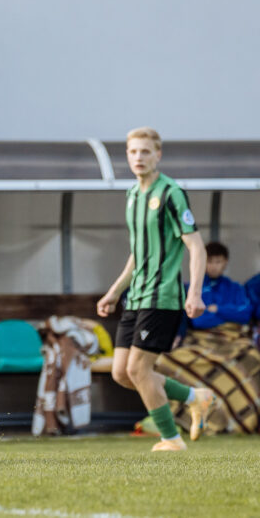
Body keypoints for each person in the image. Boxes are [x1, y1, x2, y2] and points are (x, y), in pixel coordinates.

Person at [96, 126, 216, 452]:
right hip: (135, 297)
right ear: (127, 156)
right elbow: (139, 252)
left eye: (146, 151)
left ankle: (171, 440)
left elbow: (196, 247)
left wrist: (195, 292)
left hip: (162, 298)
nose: (139, 157)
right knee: (122, 373)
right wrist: (115, 291)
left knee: (139, 369)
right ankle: (196, 397)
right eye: (133, 152)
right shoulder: (132, 195)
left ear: (158, 155)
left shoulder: (171, 193)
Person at [188, 242, 253, 330]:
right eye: (209, 261)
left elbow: (246, 315)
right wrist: (231, 317)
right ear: (202, 262)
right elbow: (198, 321)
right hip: (201, 337)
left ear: (225, 262)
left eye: (218, 262)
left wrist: (218, 309)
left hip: (233, 337)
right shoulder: (195, 288)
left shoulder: (235, 288)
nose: (214, 266)